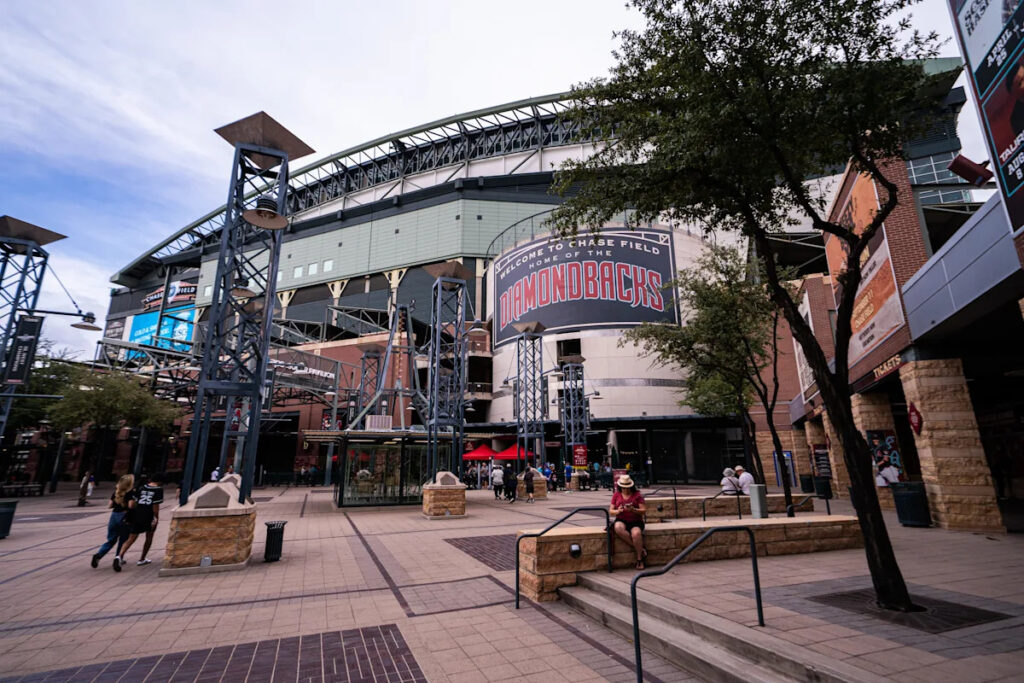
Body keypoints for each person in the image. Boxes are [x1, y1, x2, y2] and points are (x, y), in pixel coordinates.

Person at [118, 472, 164, 566]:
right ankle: (142, 558)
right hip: (149, 515)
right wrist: (156, 519)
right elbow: (155, 507)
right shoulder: (158, 489)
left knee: (131, 538)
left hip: (138, 514)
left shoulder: (142, 487)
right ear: (160, 481)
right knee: (149, 537)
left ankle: (119, 556)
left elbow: (134, 503)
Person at [91, 474, 136, 571]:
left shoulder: (116, 492)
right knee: (123, 540)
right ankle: (118, 558)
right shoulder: (130, 493)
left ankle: (98, 555)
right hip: (125, 516)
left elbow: (110, 505)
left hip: (114, 516)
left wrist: (118, 502)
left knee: (111, 539)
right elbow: (131, 505)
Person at [610, 475, 647, 569]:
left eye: (627, 488)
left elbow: (643, 510)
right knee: (618, 527)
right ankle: (640, 549)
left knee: (636, 534)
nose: (625, 490)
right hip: (621, 519)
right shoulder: (616, 495)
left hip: (635, 520)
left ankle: (639, 558)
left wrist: (633, 509)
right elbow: (611, 511)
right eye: (623, 488)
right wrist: (618, 511)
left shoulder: (637, 495)